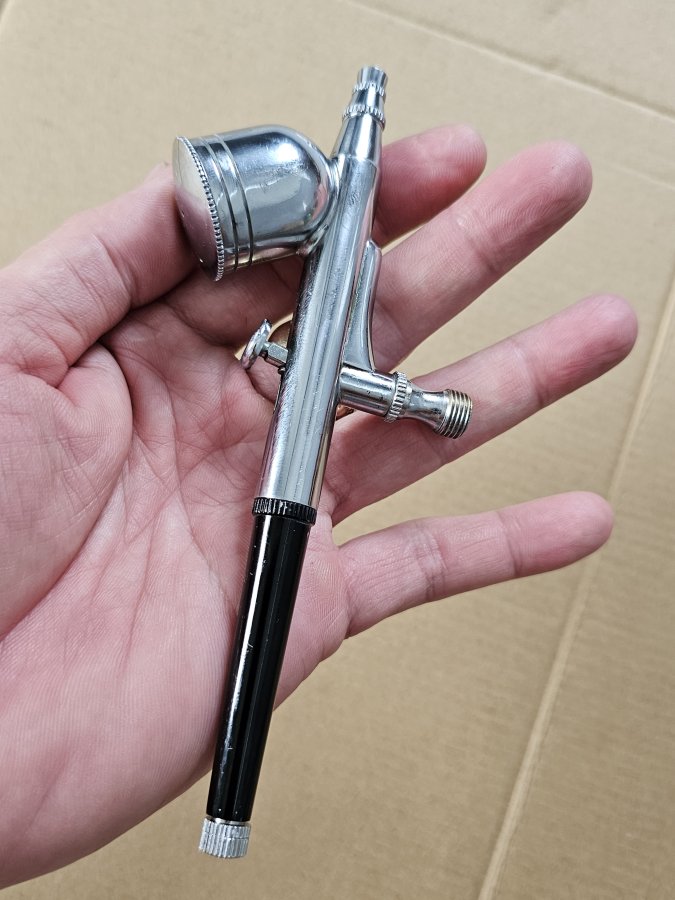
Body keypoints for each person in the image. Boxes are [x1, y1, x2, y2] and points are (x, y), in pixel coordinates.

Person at [0, 126, 636, 887]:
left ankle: (227, 819)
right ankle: (227, 820)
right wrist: (413, 401)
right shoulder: (318, 203)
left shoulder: (322, 207)